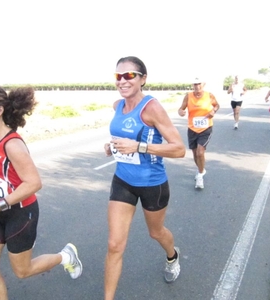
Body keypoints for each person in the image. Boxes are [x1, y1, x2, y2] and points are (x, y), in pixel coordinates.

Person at [0, 84, 82, 299]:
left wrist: (1, 203)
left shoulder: (12, 144)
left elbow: (33, 183)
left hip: (20, 213)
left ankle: (65, 256)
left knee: (23, 271)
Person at [103, 56, 186, 300]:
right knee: (114, 245)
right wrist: (112, 147)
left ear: (143, 79)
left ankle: (172, 256)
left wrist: (139, 147)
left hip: (152, 184)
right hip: (123, 182)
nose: (122, 80)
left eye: (129, 75)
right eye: (118, 76)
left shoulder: (152, 108)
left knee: (156, 232)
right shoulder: (118, 105)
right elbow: (122, 139)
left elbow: (179, 149)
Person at [178, 78, 220, 189]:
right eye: (195, 84)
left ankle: (200, 176)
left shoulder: (209, 95)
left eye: (199, 84)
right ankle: (201, 169)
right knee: (195, 153)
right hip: (192, 129)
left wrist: (213, 111)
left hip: (205, 128)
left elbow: (216, 105)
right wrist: (181, 112)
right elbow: (181, 108)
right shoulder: (188, 96)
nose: (197, 86)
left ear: (203, 84)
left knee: (200, 152)